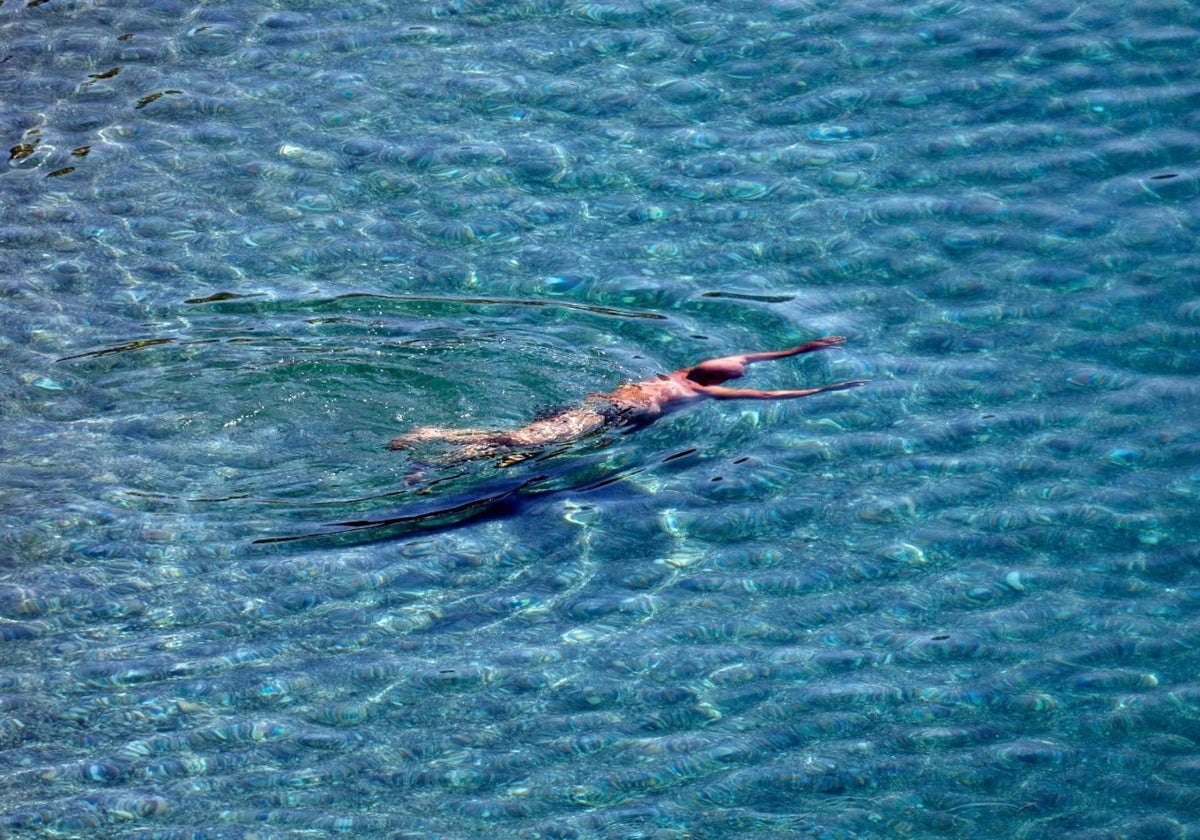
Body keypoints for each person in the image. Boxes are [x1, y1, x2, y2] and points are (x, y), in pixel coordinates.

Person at [389, 335, 866, 463]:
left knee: (530, 444)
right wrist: (822, 389)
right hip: (612, 414)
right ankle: (438, 437)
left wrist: (802, 349)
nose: (743, 365)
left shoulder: (685, 372)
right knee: (523, 444)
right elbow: (765, 391)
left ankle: (451, 452)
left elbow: (756, 361)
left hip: (603, 405)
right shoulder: (699, 389)